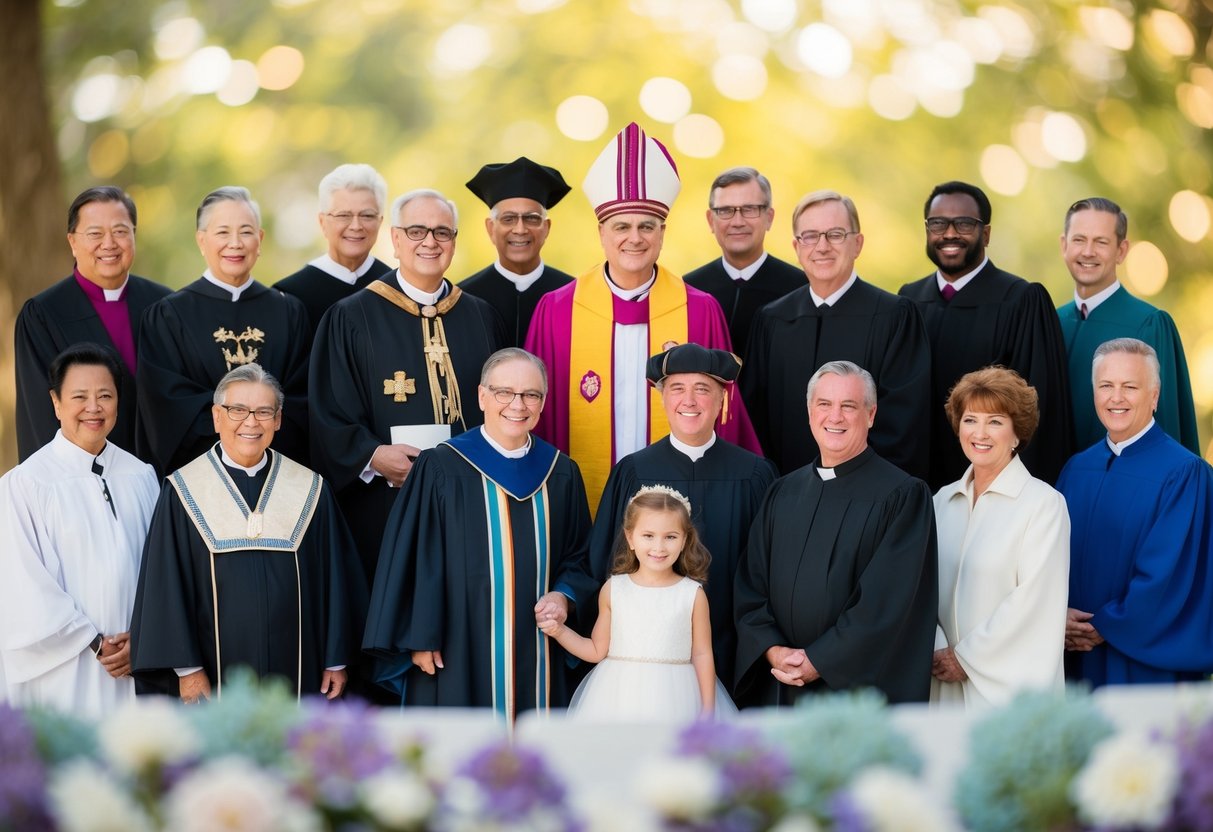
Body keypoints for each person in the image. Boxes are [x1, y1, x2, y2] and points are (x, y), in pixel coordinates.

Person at [525, 122, 760, 511]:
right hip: (579, 506)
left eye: (646, 226)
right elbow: (537, 416)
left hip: (680, 517)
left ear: (662, 232)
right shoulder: (557, 310)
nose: (634, 238)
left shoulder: (699, 310)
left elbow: (725, 416)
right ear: (601, 232)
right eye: (622, 226)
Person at [364, 348, 598, 720]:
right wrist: (421, 636)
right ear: (482, 396)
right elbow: (417, 557)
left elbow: (581, 556)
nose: (517, 405)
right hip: (457, 643)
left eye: (530, 395)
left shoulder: (562, 472)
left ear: (543, 403)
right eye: (504, 392)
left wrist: (564, 596)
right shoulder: (440, 466)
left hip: (539, 643)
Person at [129, 364, 365, 702]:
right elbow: (165, 585)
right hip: (211, 678)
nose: (251, 422)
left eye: (264, 412)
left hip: (300, 671)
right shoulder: (183, 490)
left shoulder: (310, 489)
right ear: (216, 417)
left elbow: (337, 580)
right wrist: (187, 668)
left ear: (278, 420)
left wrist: (336, 658)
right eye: (237, 410)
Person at [309, 188, 506, 583]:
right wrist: (373, 455)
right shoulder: (351, 317)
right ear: (395, 240)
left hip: (472, 503)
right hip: (385, 506)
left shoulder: (481, 316)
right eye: (416, 231)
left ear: (454, 241)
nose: (430, 242)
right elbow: (329, 412)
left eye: (442, 232)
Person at [734, 361, 937, 706]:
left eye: (849, 406)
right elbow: (752, 585)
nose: (835, 417)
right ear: (810, 411)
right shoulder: (783, 492)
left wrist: (819, 660)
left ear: (871, 414)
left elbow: (884, 605)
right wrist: (771, 648)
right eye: (824, 404)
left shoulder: (903, 496)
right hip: (780, 685)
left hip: (855, 697)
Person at [591, 343, 776, 687]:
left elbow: (770, 568)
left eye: (702, 389)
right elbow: (607, 562)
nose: (689, 401)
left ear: (722, 398)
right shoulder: (634, 471)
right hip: (650, 653)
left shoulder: (754, 474)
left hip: (733, 643)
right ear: (662, 399)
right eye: (677, 388)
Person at [0, 344, 159, 718]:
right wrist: (94, 643)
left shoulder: (143, 477)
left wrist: (145, 638)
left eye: (105, 395)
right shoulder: (25, 484)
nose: (94, 407)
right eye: (79, 396)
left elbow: (161, 572)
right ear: (56, 403)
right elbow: (22, 582)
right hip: (65, 667)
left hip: (137, 662)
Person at [741, 190, 932, 479]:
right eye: (810, 236)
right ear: (796, 246)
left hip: (866, 496)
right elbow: (754, 420)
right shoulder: (772, 319)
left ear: (857, 244)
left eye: (835, 234)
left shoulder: (895, 316)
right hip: (785, 495)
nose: (822, 246)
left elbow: (904, 427)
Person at [1058, 338, 1213, 687]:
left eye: (1130, 387)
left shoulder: (1185, 473)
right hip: (1073, 659)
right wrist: (1057, 615)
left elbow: (1168, 576)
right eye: (1106, 386)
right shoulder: (1076, 469)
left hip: (1144, 665)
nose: (1116, 398)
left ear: (1154, 396)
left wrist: (1105, 625)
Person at [899, 181, 1073, 489]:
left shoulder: (1021, 300)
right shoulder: (908, 302)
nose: (949, 233)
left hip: (995, 489)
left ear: (987, 234)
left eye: (964, 223)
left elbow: (1039, 415)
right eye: (938, 223)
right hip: (919, 487)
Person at [136, 186, 311, 474]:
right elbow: (165, 404)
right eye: (222, 232)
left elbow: (303, 399)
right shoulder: (169, 315)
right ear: (201, 241)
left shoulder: (289, 312)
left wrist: (255, 430)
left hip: (279, 471)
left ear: (260, 239)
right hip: (199, 474)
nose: (235, 243)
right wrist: (242, 429)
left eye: (245, 231)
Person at [930, 367, 1069, 709]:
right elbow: (918, 588)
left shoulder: (1043, 505)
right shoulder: (940, 503)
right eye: (970, 420)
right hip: (943, 683)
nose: (980, 433)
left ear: (1017, 433)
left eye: (994, 421)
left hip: (1008, 693)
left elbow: (1035, 603)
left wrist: (966, 658)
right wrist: (937, 649)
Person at [540, 485, 735, 721]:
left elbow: (702, 654)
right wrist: (560, 631)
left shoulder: (692, 594)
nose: (659, 547)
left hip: (678, 699)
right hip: (618, 698)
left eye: (670, 537)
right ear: (630, 537)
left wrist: (707, 709)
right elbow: (595, 650)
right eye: (648, 535)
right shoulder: (614, 589)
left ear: (685, 540)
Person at [15, 187, 170, 462]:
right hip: (85, 477)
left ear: (134, 235)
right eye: (95, 233)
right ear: (73, 242)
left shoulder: (165, 306)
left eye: (121, 231)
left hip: (163, 472)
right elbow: (39, 415)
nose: (109, 243)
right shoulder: (43, 315)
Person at [1056, 197, 1199, 454]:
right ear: (1064, 245)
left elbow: (1167, 431)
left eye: (1101, 242)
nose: (1088, 251)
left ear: (1121, 251)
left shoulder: (1149, 325)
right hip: (1054, 484)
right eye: (1079, 240)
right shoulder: (1051, 323)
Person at [683, 167, 805, 357]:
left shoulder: (800, 290)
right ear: (710, 220)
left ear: (769, 218)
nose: (737, 221)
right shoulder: (688, 290)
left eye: (749, 209)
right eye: (725, 211)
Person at [460, 157, 575, 346]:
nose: (520, 229)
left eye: (531, 218)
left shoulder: (573, 294)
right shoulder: (463, 299)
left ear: (546, 228)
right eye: (508, 219)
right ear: (490, 228)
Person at [274, 164, 393, 338]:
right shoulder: (290, 296)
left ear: (380, 222)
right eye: (343, 215)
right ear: (322, 222)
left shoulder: (394, 290)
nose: (356, 226)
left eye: (367, 215)